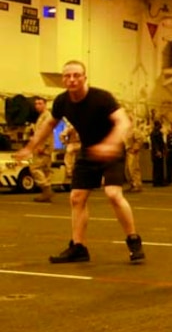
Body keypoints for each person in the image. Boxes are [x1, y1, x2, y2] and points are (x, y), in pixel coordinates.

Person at [15, 60, 145, 264]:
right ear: (63, 79)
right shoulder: (61, 101)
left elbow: (123, 122)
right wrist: (29, 147)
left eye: (76, 75)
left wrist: (110, 145)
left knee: (113, 193)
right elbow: (49, 125)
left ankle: (133, 240)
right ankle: (78, 247)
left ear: (85, 78)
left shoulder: (102, 98)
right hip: (87, 150)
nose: (72, 79)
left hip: (112, 150)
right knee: (76, 197)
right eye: (67, 76)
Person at [28, 96, 54, 203]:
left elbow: (46, 132)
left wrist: (42, 146)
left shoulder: (46, 116)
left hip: (43, 147)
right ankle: (46, 194)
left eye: (40, 103)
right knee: (45, 170)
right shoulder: (42, 116)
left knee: (35, 168)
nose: (37, 106)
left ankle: (46, 189)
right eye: (36, 104)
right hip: (43, 146)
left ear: (45, 104)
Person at [123, 119, 146, 192]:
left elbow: (140, 139)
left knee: (134, 169)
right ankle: (132, 184)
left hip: (133, 152)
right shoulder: (125, 131)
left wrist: (135, 148)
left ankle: (137, 185)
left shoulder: (134, 130)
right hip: (127, 152)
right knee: (127, 170)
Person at [60, 121, 80, 186]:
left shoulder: (71, 126)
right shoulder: (84, 124)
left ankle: (69, 172)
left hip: (72, 144)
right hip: (81, 145)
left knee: (68, 158)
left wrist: (64, 142)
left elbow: (62, 135)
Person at [150, 121, 165, 186]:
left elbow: (161, 142)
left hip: (158, 151)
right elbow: (155, 143)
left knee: (159, 167)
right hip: (157, 152)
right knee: (157, 167)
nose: (161, 126)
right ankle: (157, 182)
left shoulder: (158, 133)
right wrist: (157, 151)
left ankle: (159, 181)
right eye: (159, 125)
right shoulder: (154, 133)